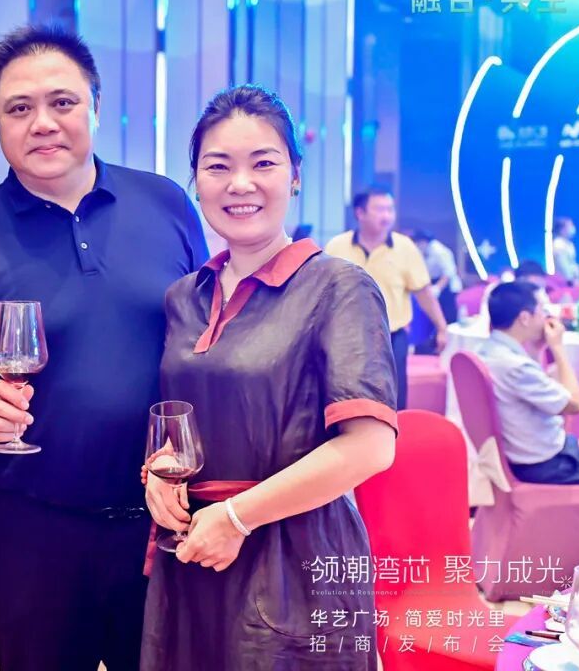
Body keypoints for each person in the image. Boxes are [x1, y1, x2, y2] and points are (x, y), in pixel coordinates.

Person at [0, 24, 208, 671]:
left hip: (163, 521)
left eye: (63, 102)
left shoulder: (165, 204)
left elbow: (207, 339)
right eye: (19, 108)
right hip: (33, 535)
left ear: (96, 107)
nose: (42, 123)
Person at [141, 84, 397, 669]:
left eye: (263, 163)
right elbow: (182, 418)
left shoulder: (339, 287)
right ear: (196, 182)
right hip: (194, 551)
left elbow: (370, 447)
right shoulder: (184, 298)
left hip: (297, 559)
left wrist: (237, 517)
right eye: (218, 166)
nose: (240, 184)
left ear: (295, 176)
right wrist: (156, 471)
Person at [325, 187, 448, 409]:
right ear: (360, 213)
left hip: (392, 337)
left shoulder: (405, 247)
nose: (387, 216)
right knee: (347, 399)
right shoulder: (337, 246)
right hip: (347, 336)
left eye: (390, 209)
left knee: (395, 399)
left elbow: (424, 292)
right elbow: (325, 292)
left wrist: (441, 327)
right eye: (380, 209)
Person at [478, 282, 579, 484]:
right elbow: (576, 405)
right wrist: (558, 348)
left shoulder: (488, 350)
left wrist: (537, 350)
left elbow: (529, 387)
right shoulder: (515, 366)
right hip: (545, 463)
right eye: (542, 310)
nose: (546, 317)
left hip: (520, 453)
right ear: (525, 318)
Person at [412, 229, 460, 324]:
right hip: (432, 281)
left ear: (425, 241)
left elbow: (448, 273)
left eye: (419, 242)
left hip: (446, 286)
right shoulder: (420, 251)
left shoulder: (440, 251)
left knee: (448, 314)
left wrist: (437, 288)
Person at [552, 217, 579, 284]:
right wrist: (571, 281)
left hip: (574, 279)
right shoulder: (558, 245)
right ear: (561, 229)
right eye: (570, 225)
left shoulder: (569, 244)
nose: (572, 228)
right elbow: (563, 266)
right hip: (566, 282)